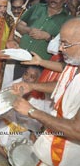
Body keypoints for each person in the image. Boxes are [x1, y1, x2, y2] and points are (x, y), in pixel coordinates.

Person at [12, 18, 80, 166]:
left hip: (67, 152)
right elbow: (65, 83)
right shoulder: (76, 63)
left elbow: (77, 130)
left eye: (65, 43)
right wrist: (33, 86)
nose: (60, 49)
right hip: (54, 139)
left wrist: (31, 111)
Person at [0, 65, 47, 158]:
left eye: (32, 77)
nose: (26, 78)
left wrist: (33, 134)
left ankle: (9, 153)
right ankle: (4, 154)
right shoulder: (15, 84)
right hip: (6, 120)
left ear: (38, 81)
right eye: (26, 74)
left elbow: (39, 124)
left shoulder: (41, 98)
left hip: (22, 128)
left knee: (18, 150)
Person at [13, 0, 72, 79]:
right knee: (15, 89)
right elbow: (19, 26)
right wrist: (29, 30)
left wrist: (47, 37)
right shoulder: (37, 7)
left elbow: (65, 45)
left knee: (34, 92)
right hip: (21, 58)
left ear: (65, 0)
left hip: (41, 66)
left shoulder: (67, 20)